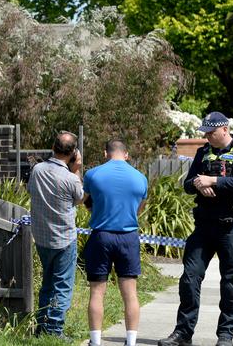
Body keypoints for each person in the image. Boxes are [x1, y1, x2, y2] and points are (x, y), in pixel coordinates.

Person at [159, 112, 233, 346]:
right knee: (189, 279)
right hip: (203, 227)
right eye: (205, 133)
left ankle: (225, 335)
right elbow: (188, 183)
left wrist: (213, 181)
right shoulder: (203, 153)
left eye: (211, 133)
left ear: (224, 129)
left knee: (230, 283)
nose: (208, 137)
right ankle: (183, 333)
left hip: (231, 227)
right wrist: (198, 185)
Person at [82, 138, 148, 346]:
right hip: (128, 238)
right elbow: (139, 209)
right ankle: (131, 341)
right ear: (126, 154)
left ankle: (95, 341)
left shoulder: (92, 174)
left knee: (97, 292)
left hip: (101, 236)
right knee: (130, 294)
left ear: (105, 154)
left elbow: (85, 200)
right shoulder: (140, 178)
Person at [27, 130, 84, 338]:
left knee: (47, 283)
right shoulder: (71, 178)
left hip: (42, 237)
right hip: (64, 239)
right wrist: (76, 170)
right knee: (63, 285)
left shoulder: (37, 170)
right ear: (73, 153)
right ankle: (54, 329)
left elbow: (30, 190)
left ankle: (41, 327)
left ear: (53, 147)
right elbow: (79, 199)